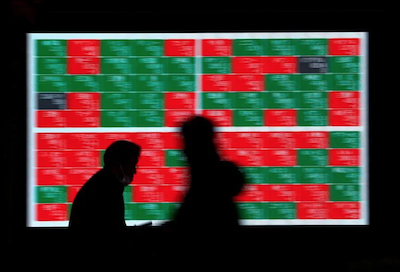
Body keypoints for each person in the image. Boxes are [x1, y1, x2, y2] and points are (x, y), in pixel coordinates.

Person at [165, 115, 246, 239]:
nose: (184, 151)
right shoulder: (218, 179)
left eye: (187, 144)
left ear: (199, 146)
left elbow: (196, 225)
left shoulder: (205, 184)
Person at [68, 140, 141, 245]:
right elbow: (112, 235)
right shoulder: (108, 190)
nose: (134, 171)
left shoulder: (101, 183)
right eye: (132, 165)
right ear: (119, 165)